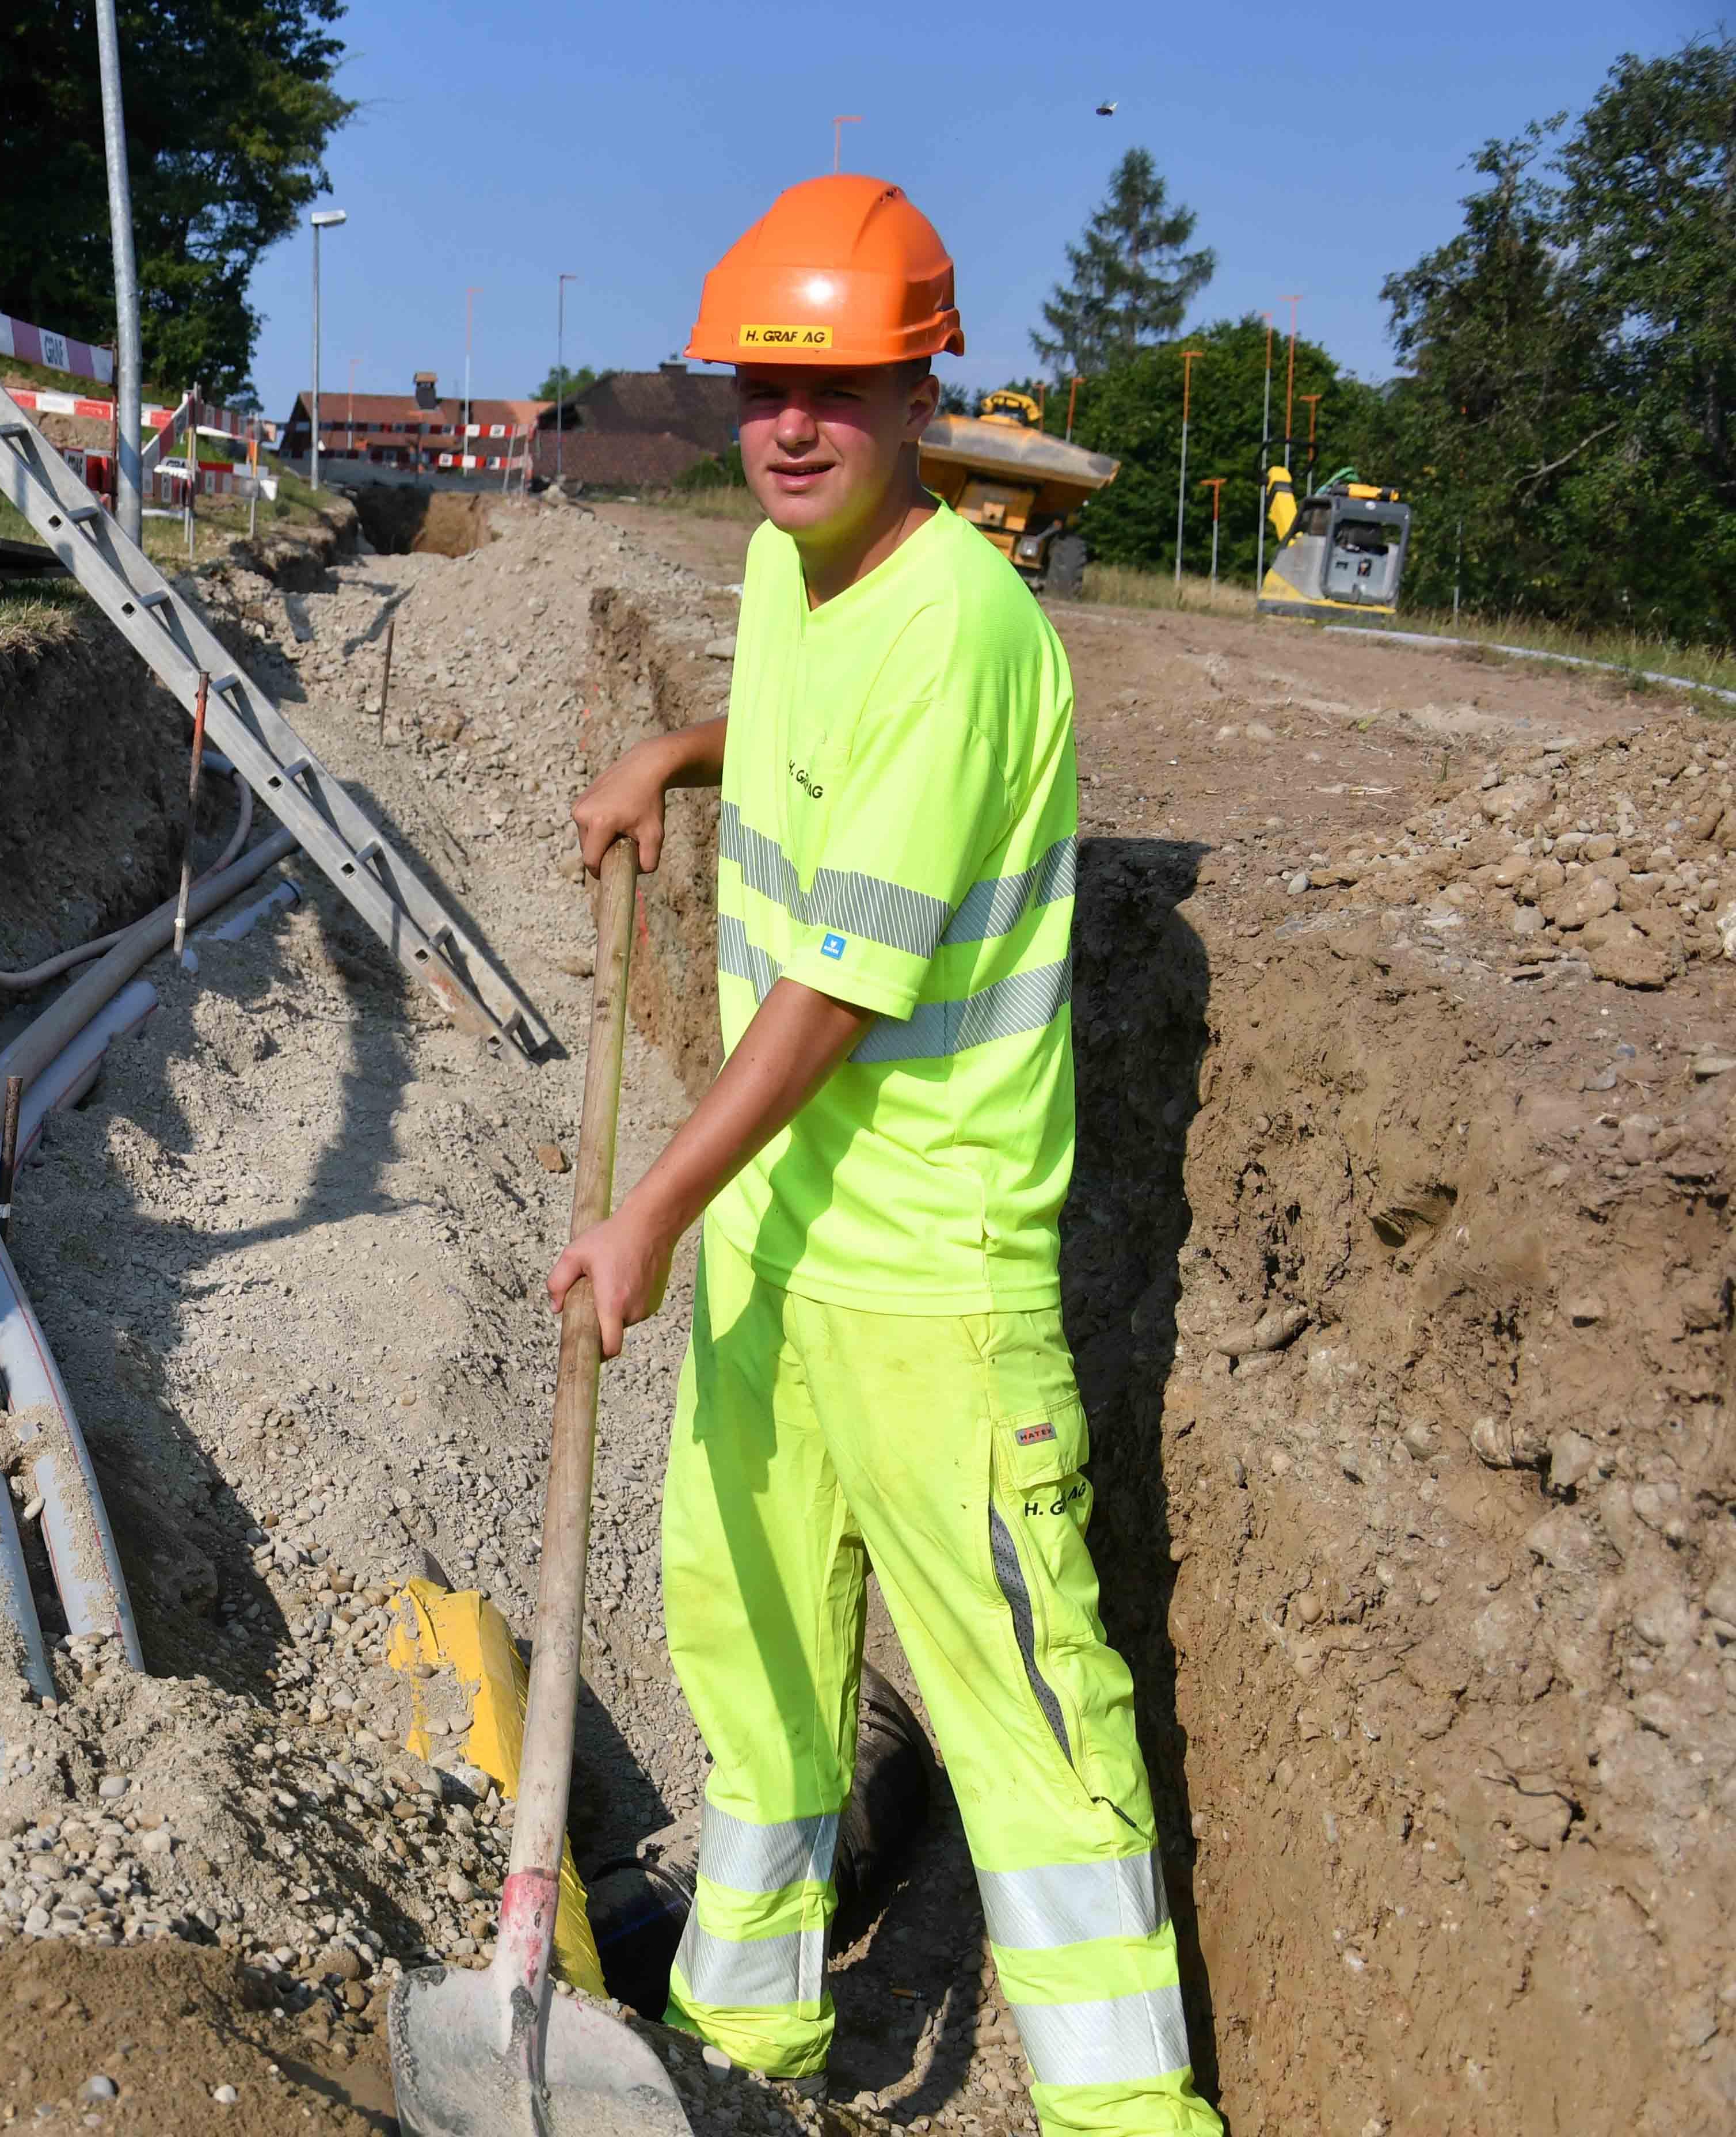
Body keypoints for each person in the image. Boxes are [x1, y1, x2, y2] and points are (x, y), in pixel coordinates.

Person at [551, 174, 1223, 2137]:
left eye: (840, 387)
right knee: (747, 1634)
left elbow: (838, 989)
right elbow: (806, 728)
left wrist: (647, 1208)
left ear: (926, 395)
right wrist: (675, 755)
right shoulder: (795, 568)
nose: (792, 424)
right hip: (781, 1241)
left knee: (1025, 1712)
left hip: (932, 1276)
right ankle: (745, 2038)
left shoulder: (971, 624)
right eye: (767, 383)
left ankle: (1122, 2116)